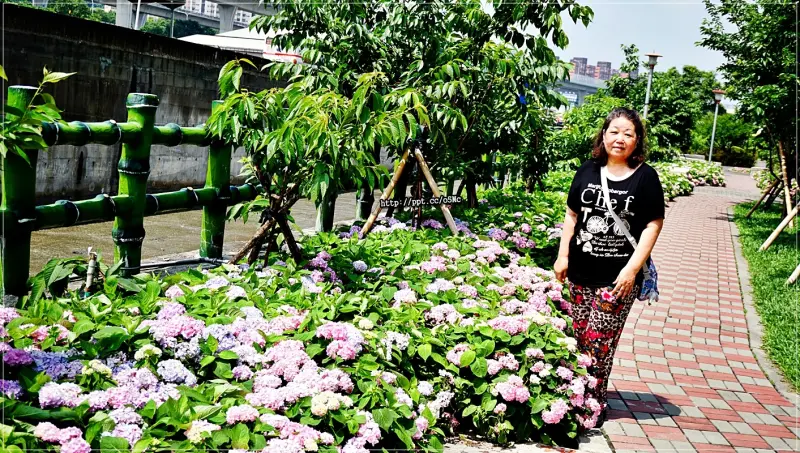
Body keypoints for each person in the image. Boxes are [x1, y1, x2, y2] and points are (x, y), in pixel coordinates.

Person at [553, 107, 665, 428]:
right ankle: (576, 398)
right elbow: (572, 215)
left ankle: (594, 404)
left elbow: (653, 224)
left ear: (637, 140)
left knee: (599, 341)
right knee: (579, 339)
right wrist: (563, 256)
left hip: (617, 278)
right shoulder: (588, 170)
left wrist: (632, 269)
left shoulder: (646, 177)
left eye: (628, 133)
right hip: (579, 273)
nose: (620, 138)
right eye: (614, 131)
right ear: (603, 136)